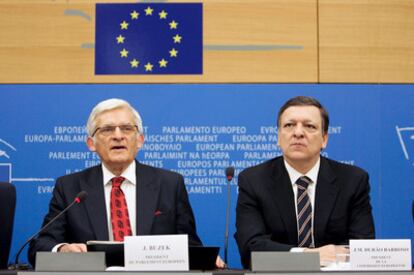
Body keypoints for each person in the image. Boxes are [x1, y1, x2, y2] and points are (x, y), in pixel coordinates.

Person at [29, 98, 224, 268]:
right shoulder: (70, 187)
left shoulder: (170, 184)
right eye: (106, 129)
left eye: (126, 128)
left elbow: (189, 245)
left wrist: (205, 259)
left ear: (140, 140)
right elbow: (42, 245)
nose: (118, 135)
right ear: (91, 144)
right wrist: (62, 249)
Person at [235, 96, 375, 268]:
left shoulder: (353, 180)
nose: (298, 133)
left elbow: (362, 249)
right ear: (278, 137)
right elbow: (251, 249)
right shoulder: (253, 180)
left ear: (324, 139)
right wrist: (309, 257)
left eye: (309, 126)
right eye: (289, 125)